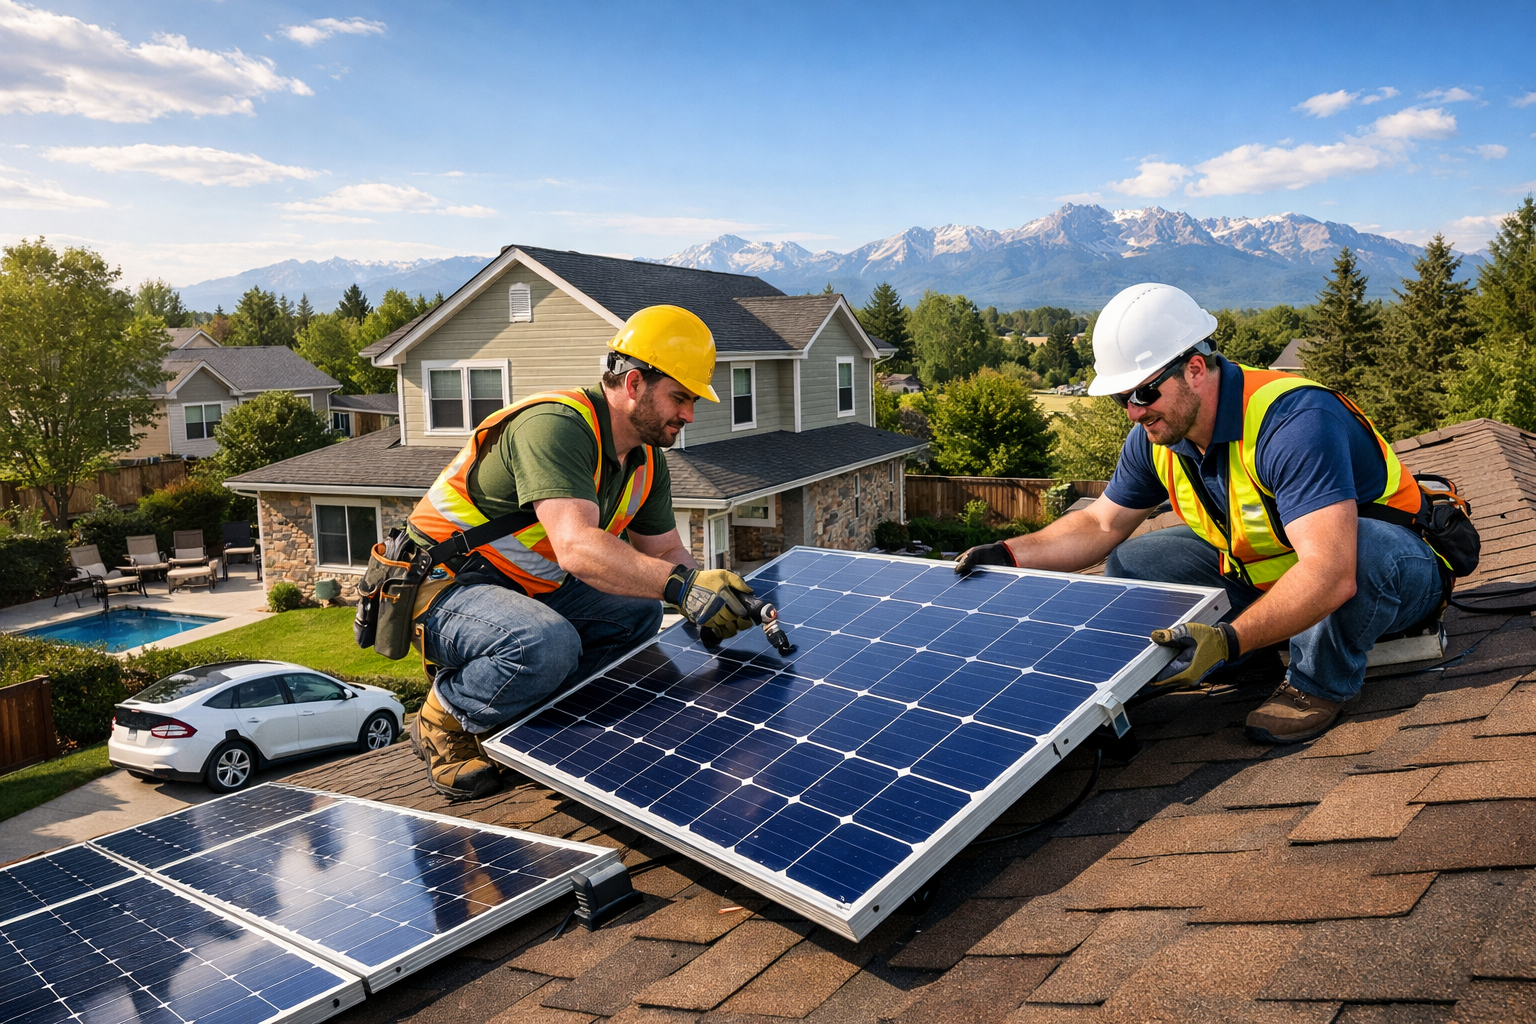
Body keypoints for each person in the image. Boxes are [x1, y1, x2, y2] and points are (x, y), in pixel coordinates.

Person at [956, 283, 1445, 744]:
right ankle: (1240, 646)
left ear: (1194, 368)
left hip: (1393, 570)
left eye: (1144, 392)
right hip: (1267, 573)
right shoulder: (1156, 436)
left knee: (1358, 552)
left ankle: (1314, 683)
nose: (1133, 411)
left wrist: (1227, 640)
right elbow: (1100, 523)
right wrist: (1008, 554)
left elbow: (1329, 571)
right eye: (1120, 398)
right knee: (1135, 562)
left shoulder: (1294, 423)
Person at [405, 305, 757, 799]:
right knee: (543, 645)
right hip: (440, 587)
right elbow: (575, 546)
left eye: (694, 400)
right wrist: (683, 588)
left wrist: (706, 595)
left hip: (521, 590)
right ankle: (443, 720)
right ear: (633, 383)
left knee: (637, 611)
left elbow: (664, 549)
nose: (689, 415)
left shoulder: (645, 461)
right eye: (680, 397)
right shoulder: (557, 426)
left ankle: (531, 715)